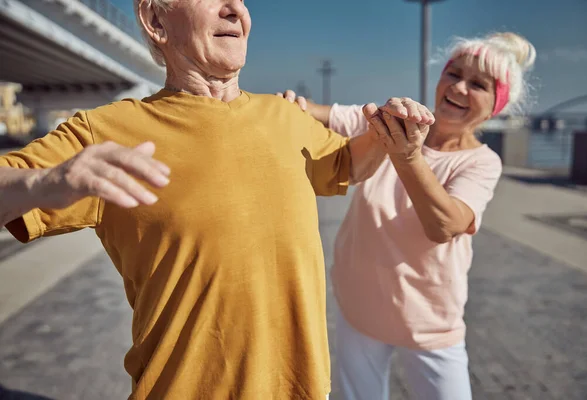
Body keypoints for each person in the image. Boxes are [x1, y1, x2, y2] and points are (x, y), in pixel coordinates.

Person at [0, 1, 435, 399]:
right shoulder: (106, 129)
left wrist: (391, 139)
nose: (235, 10)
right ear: (156, 22)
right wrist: (47, 182)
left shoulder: (286, 116)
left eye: (242, 0)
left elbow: (348, 165)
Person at [279, 32, 536, 400]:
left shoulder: (480, 162)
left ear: (496, 106)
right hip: (360, 310)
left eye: (478, 84)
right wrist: (289, 105)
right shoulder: (389, 122)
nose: (459, 88)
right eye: (453, 74)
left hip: (430, 324)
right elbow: (310, 112)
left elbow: (444, 224)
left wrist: (407, 156)